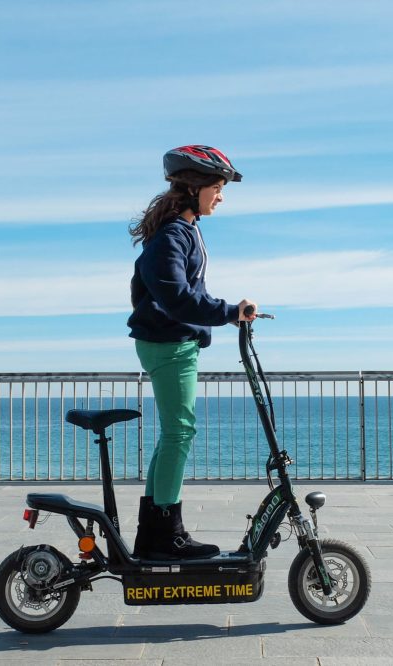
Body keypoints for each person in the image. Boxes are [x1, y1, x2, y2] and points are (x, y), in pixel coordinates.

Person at [127, 145, 257, 559]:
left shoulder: (181, 232)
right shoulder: (171, 236)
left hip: (172, 343)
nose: (220, 196)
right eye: (217, 188)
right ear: (195, 187)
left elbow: (189, 295)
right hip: (169, 345)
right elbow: (177, 299)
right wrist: (227, 312)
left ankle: (155, 531)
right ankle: (167, 534)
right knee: (179, 432)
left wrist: (229, 314)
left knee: (172, 435)